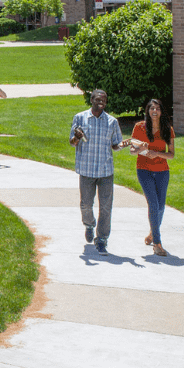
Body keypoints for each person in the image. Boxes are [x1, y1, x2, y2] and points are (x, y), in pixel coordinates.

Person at [69, 89, 123, 255]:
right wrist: (77, 137)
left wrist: (124, 145)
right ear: (91, 99)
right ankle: (89, 224)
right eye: (98, 99)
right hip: (86, 170)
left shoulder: (112, 121)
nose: (101, 102)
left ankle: (102, 239)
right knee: (85, 205)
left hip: (106, 171)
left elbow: (116, 144)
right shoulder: (80, 118)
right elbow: (72, 143)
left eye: (104, 100)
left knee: (106, 207)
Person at [125, 98, 175, 257]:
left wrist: (157, 153)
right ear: (147, 111)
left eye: (158, 109)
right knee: (153, 204)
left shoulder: (168, 129)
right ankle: (157, 243)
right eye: (152, 108)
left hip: (162, 171)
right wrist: (140, 149)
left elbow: (172, 154)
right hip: (144, 170)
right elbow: (132, 151)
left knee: (161, 207)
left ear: (161, 111)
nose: (154, 111)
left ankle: (153, 232)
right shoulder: (139, 127)